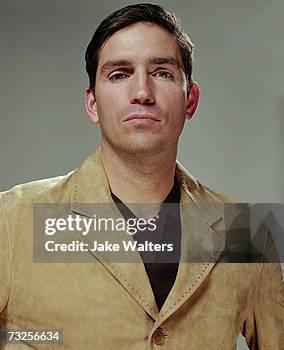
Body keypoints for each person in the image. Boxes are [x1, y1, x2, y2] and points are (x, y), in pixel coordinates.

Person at [0, 3, 282, 349]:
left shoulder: (245, 233)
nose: (142, 93)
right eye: (119, 74)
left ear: (190, 99)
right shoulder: (10, 223)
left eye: (162, 72)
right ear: (92, 104)